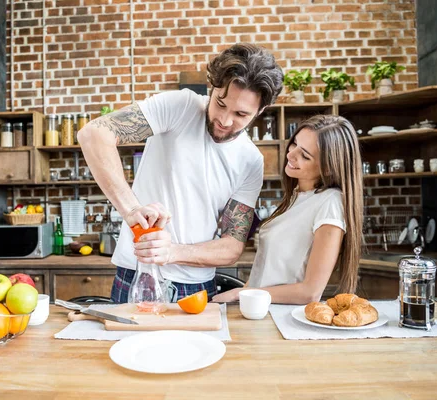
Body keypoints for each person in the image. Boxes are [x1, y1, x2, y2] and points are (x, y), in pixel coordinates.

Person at [77, 43, 284, 302]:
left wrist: (172, 252)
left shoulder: (251, 161)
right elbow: (93, 134)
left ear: (261, 111)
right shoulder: (181, 107)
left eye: (241, 114)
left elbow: (232, 247)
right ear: (213, 89)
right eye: (220, 103)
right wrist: (131, 210)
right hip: (137, 277)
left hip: (196, 289)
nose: (225, 120)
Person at [212, 115, 364, 304]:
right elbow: (265, 271)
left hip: (283, 317)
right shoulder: (296, 198)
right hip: (262, 310)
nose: (290, 154)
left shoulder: (330, 202)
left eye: (305, 155)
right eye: (294, 144)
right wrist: (246, 293)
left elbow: (310, 292)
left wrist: (240, 294)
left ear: (328, 168)